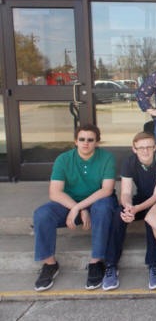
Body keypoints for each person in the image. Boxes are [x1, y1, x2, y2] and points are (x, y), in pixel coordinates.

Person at [33, 124, 117, 291]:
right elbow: (55, 193)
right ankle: (50, 264)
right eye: (82, 139)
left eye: (90, 140)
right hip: (70, 203)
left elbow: (106, 190)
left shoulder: (107, 158)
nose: (86, 143)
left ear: (97, 143)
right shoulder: (63, 159)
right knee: (42, 214)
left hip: (98, 201)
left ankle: (96, 262)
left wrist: (79, 207)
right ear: (75, 141)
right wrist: (78, 208)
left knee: (102, 208)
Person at [102, 132, 156, 291]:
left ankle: (154, 265)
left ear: (155, 147)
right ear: (134, 149)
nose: (145, 151)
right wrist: (128, 208)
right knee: (118, 214)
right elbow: (126, 192)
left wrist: (136, 209)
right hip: (140, 199)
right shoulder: (129, 162)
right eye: (141, 148)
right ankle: (111, 265)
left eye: (149, 147)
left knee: (152, 217)